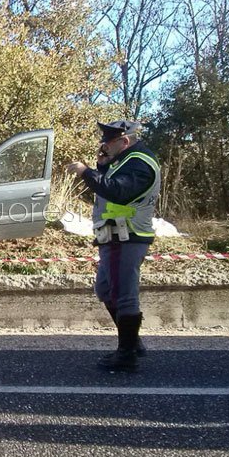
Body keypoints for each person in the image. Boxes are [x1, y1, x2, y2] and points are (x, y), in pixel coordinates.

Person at [66, 120, 161, 372]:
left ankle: (127, 353)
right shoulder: (124, 161)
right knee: (106, 290)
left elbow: (118, 192)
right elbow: (107, 185)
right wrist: (101, 165)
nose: (104, 146)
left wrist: (86, 171)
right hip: (113, 235)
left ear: (125, 141)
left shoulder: (140, 163)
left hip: (127, 235)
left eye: (108, 143)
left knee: (123, 294)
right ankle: (132, 343)